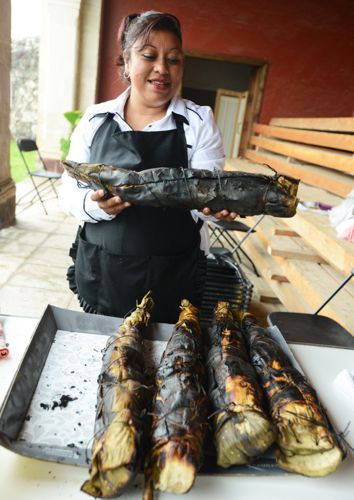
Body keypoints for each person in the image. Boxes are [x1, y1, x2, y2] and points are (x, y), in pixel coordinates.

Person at [60, 11, 237, 323]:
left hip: (172, 277)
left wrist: (215, 208)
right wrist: (95, 205)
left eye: (173, 59)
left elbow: (207, 195)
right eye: (149, 56)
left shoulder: (198, 121)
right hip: (103, 273)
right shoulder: (96, 118)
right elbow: (69, 191)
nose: (162, 69)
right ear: (127, 62)